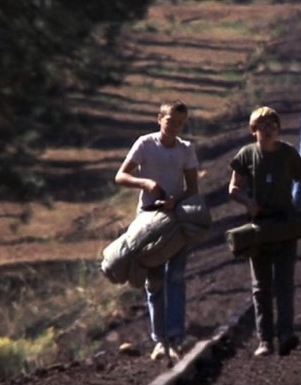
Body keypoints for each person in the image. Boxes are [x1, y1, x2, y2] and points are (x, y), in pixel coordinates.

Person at [228, 106, 301, 357]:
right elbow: (233, 188)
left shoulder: (288, 154)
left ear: (278, 129)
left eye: (272, 125)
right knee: (261, 286)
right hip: (259, 227)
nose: (267, 130)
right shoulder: (246, 155)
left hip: (286, 224)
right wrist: (248, 202)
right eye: (262, 125)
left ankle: (286, 333)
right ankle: (265, 340)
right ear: (253, 130)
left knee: (285, 283)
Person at [114, 99, 200, 361]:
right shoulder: (145, 144)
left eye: (180, 123)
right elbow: (120, 176)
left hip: (176, 220)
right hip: (148, 220)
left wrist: (177, 200)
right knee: (154, 280)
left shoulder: (186, 150)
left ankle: (175, 337)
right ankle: (159, 339)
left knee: (175, 276)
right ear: (159, 119)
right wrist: (146, 183)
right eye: (170, 121)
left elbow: (193, 189)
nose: (174, 126)